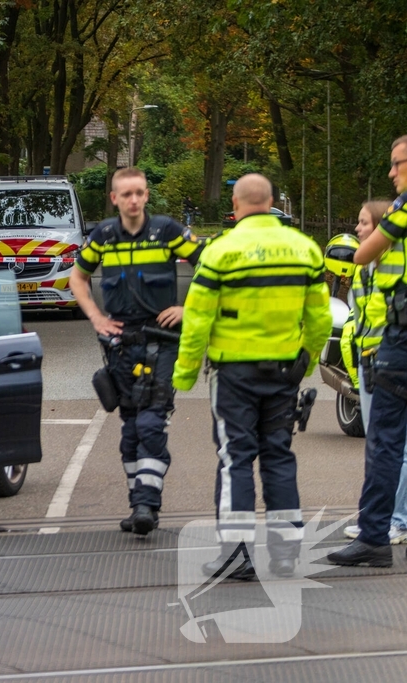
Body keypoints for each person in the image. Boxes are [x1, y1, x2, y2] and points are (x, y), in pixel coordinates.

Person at [173, 173, 330, 580]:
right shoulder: (305, 249)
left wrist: (184, 374)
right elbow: (320, 317)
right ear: (273, 201)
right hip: (283, 372)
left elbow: (197, 320)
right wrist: (306, 361)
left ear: (237, 206)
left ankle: (236, 555)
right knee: (279, 456)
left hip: (234, 375)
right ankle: (285, 553)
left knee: (235, 460)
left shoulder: (221, 251)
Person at [70, 167, 202, 536]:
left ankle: (147, 504)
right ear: (114, 199)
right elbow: (77, 278)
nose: (133, 200)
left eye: (139, 193)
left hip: (161, 341)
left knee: (150, 423)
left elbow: (210, 269)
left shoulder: (168, 231)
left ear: (146, 196)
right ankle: (137, 505)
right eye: (125, 194)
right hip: (120, 345)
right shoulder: (104, 236)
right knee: (130, 431)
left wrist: (188, 308)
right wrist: (96, 317)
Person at [329, 136, 407, 567]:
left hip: (399, 341)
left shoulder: (403, 209)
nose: (392, 173)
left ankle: (376, 533)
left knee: (386, 441)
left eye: (397, 165)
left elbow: (363, 252)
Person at [339, 202, 407, 544]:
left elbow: (380, 317)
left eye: (365, 222)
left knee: (391, 446)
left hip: (387, 357)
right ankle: (383, 520)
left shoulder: (385, 266)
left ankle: (396, 520)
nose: (359, 228)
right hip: (371, 358)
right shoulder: (368, 267)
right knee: (384, 444)